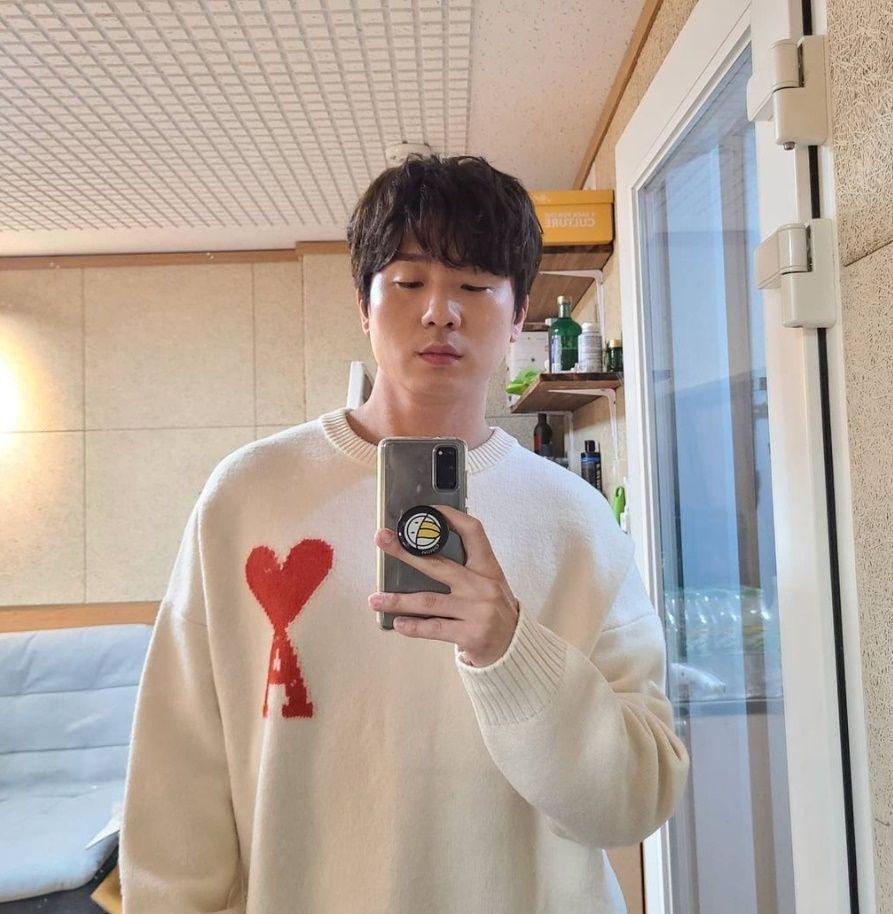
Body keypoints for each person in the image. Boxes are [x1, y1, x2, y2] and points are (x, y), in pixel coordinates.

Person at [119, 153, 690, 913]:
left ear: (519, 313)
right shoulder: (250, 494)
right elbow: (177, 771)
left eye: (475, 286)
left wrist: (513, 654)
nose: (440, 312)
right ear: (364, 304)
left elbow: (635, 800)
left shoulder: (574, 519)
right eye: (410, 282)